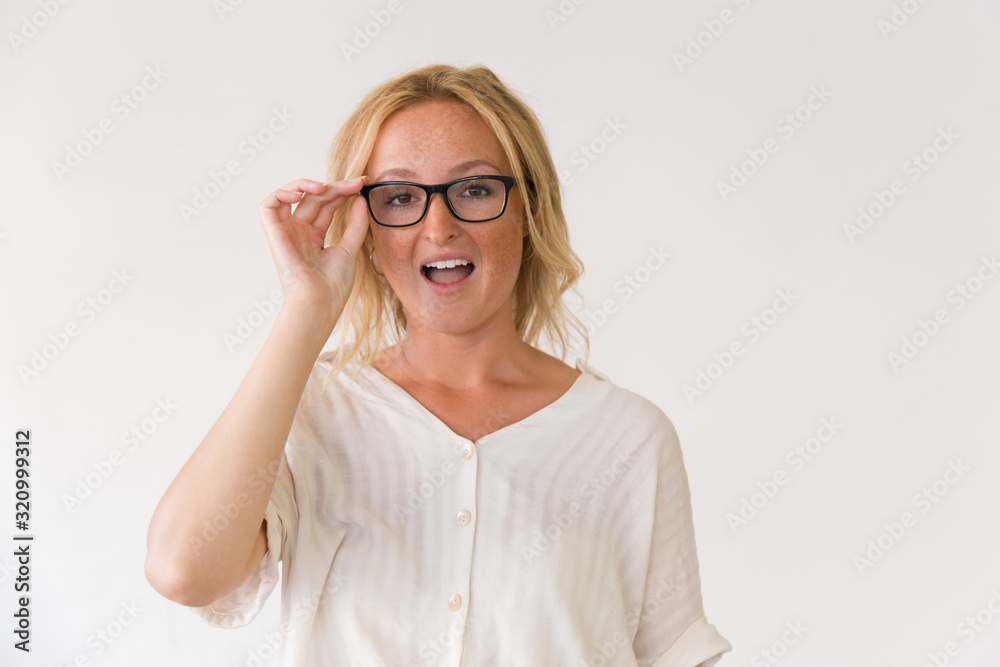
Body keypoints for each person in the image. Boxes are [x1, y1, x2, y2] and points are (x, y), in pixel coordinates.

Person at [144, 63, 732, 666]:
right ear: (365, 226)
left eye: (475, 189)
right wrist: (306, 306)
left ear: (527, 209)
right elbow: (183, 569)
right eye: (400, 198)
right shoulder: (312, 413)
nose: (438, 226)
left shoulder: (628, 438)